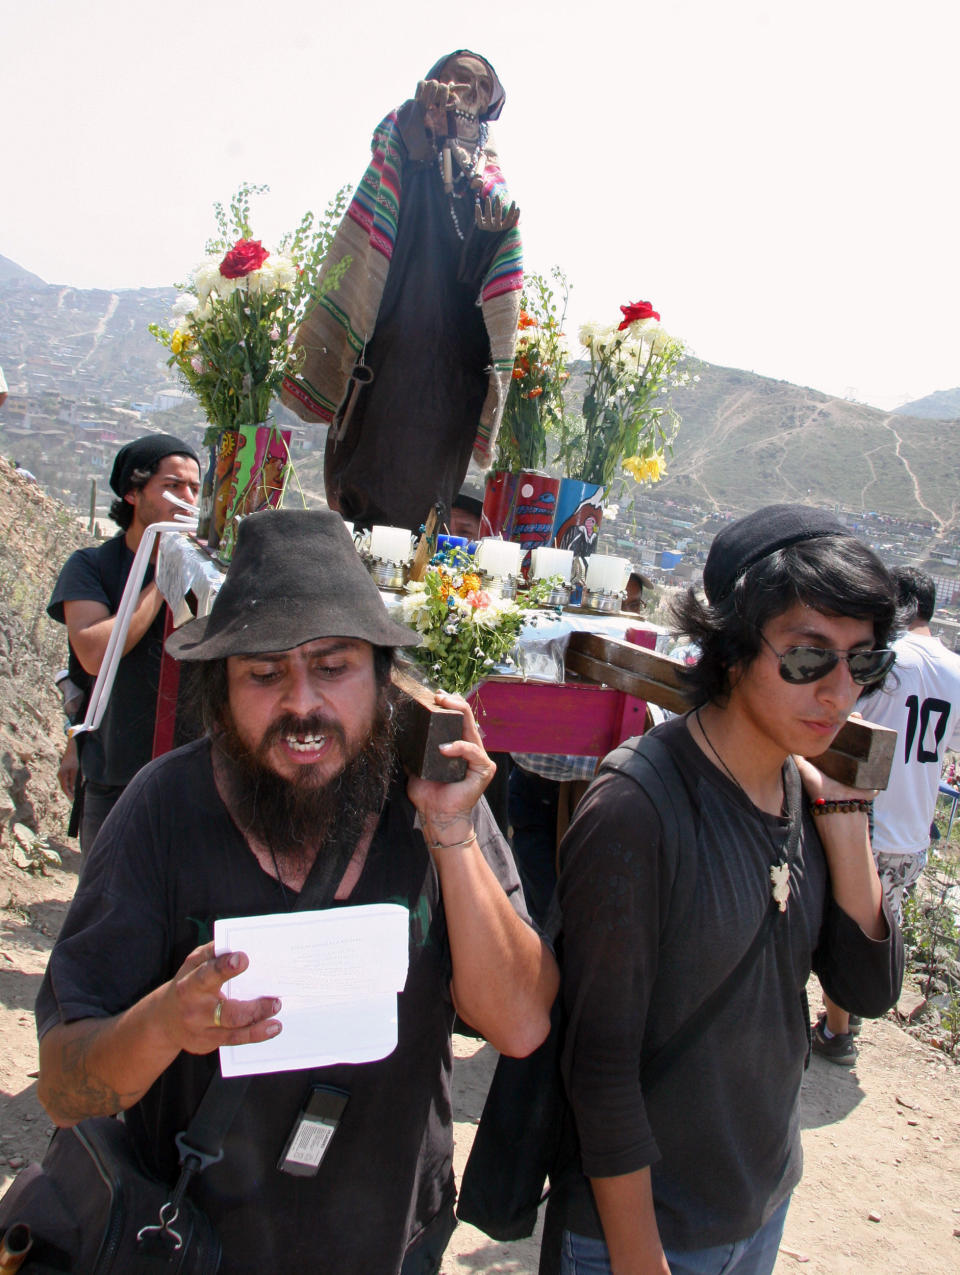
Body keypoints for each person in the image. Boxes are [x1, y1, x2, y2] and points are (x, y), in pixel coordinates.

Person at [35, 509, 558, 1274]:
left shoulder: (433, 810)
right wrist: (164, 1020)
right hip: (197, 1248)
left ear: (384, 680)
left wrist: (450, 833)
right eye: (264, 671)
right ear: (220, 692)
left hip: (391, 1245)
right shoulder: (162, 812)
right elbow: (63, 1085)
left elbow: (518, 1024)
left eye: (334, 664)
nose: (302, 702)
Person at [550, 504, 904, 1275]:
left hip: (761, 1201)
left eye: (863, 662)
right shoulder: (639, 810)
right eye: (810, 658)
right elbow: (600, 1068)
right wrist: (641, 1259)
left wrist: (846, 822)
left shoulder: (801, 789)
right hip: (646, 1233)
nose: (841, 693)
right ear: (735, 646)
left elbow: (865, 991)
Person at [282, 50, 522, 532]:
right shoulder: (409, 131)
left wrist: (486, 239)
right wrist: (419, 132)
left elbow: (477, 279)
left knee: (426, 496)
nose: (463, 91)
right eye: (454, 78)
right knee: (368, 470)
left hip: (451, 368)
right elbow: (391, 204)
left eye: (477, 87)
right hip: (392, 345)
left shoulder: (489, 180)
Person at [815, 566, 960, 1064]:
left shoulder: (885, 661)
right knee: (876, 925)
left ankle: (839, 1029)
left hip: (860, 815)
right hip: (914, 829)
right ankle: (848, 1013)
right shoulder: (954, 669)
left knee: (838, 922)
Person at [47, 433, 201, 855]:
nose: (186, 498)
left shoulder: (208, 574)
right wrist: (162, 576)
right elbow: (94, 657)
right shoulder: (91, 566)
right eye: (172, 486)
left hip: (192, 778)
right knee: (105, 907)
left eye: (194, 488)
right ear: (133, 493)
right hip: (114, 772)